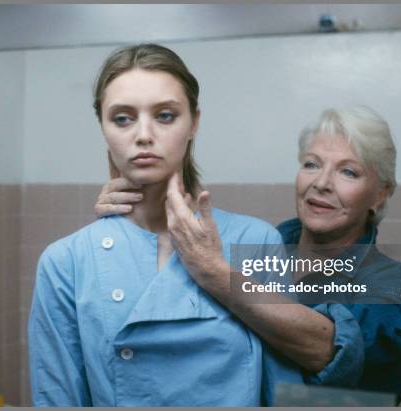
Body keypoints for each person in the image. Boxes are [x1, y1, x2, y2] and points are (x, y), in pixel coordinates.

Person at [28, 43, 302, 407]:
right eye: (123, 118)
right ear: (102, 128)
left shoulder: (255, 241)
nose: (143, 135)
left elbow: (284, 391)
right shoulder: (66, 262)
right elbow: (58, 399)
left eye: (165, 115)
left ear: (195, 123)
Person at [95, 105, 401, 404]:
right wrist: (139, 219)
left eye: (348, 172)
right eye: (311, 164)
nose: (321, 183)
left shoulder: (395, 287)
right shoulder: (263, 245)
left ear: (379, 195)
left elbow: (326, 350)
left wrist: (214, 272)